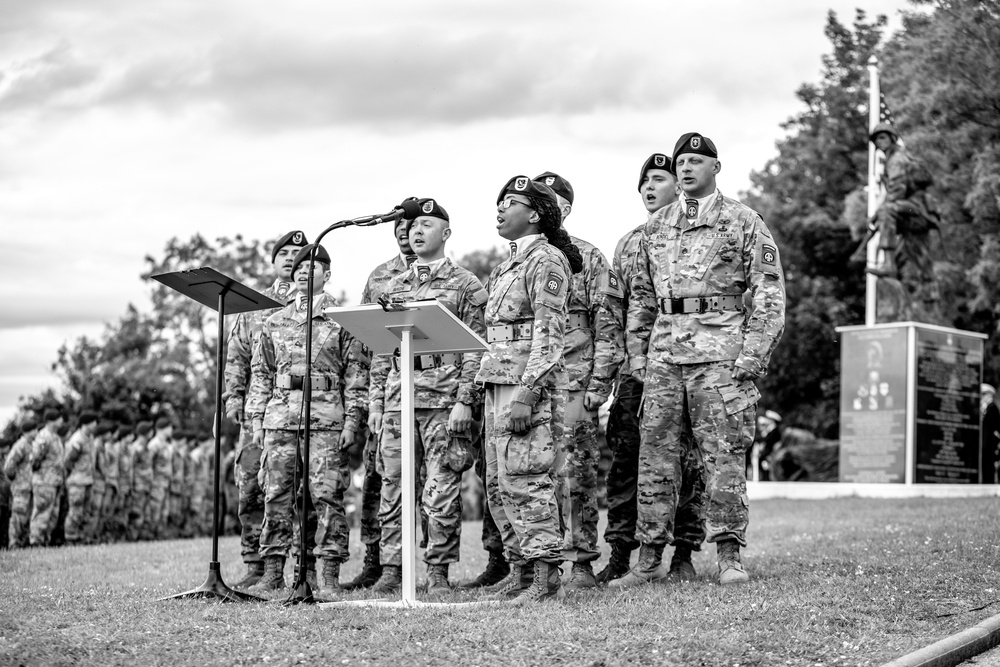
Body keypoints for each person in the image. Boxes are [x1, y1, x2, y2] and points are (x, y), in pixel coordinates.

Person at [620, 132, 785, 586]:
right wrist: (637, 353)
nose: (686, 168)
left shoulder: (743, 221)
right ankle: (649, 560)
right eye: (681, 163)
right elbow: (641, 296)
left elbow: (769, 293)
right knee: (654, 458)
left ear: (716, 167)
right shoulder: (656, 226)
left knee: (722, 458)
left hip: (721, 357)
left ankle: (729, 556)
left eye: (696, 160)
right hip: (665, 359)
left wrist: (751, 357)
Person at [367, 198, 487, 595]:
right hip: (398, 399)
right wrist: (377, 403)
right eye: (413, 225)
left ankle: (437, 571)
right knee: (394, 487)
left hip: (443, 399)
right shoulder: (393, 286)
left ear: (446, 234)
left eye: (427, 225)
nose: (417, 231)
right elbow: (380, 350)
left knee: (441, 491)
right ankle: (392, 568)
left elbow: (477, 348)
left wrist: (464, 400)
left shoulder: (466, 284)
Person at [476, 175, 583, 604]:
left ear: (535, 214)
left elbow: (550, 336)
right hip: (497, 383)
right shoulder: (506, 265)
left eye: (511, 202)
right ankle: (520, 572)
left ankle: (545, 579)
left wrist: (528, 393)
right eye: (499, 201)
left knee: (528, 478)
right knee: (501, 484)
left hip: (524, 387)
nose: (500, 208)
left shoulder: (546, 260)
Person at [600, 153, 707, 584]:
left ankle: (684, 552)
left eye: (659, 179)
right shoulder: (629, 243)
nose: (649, 187)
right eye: (644, 180)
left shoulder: (696, 236)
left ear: (678, 186)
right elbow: (614, 311)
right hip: (634, 373)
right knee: (628, 464)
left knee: (689, 461)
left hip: (684, 364)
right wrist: (617, 368)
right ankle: (622, 552)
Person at [247, 243, 368, 599]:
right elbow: (261, 374)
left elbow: (357, 375)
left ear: (326, 275)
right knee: (275, 493)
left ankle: (327, 571)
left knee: (326, 495)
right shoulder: (274, 319)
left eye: (312, 266)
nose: (302, 271)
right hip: (280, 418)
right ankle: (272, 571)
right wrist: (257, 418)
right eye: (299, 266)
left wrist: (353, 420)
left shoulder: (343, 317)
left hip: (327, 418)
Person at [531, 171, 624, 590]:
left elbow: (608, 327)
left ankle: (582, 562)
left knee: (577, 474)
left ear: (564, 209)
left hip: (574, 381)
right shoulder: (522, 259)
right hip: (532, 383)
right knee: (532, 472)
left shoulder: (588, 257)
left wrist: (598, 386)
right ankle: (535, 564)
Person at [224, 229, 308, 587]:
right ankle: (255, 564)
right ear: (273, 261)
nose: (291, 258)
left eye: (299, 253)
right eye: (284, 252)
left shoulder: (316, 301)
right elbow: (237, 356)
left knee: (300, 489)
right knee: (251, 486)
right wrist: (231, 398)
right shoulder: (254, 305)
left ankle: (301, 566)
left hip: (301, 413)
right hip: (257, 413)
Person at [347, 198, 421, 591]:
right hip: (387, 393)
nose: (407, 235)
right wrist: (370, 403)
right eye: (399, 230)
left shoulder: (448, 275)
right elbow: (368, 344)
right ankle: (377, 563)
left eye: (413, 227)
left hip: (431, 393)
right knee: (378, 479)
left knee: (433, 482)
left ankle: (433, 569)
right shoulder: (380, 278)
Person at [862, 123, 940, 283]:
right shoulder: (895, 158)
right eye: (876, 139)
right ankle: (931, 298)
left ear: (892, 138)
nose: (879, 141)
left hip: (916, 209)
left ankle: (889, 264)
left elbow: (897, 191)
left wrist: (876, 215)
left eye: (883, 137)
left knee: (886, 211)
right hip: (912, 209)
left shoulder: (897, 160)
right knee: (919, 256)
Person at [30, 409, 66, 547]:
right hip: (44, 481)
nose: (62, 421)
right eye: (59, 418)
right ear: (52, 420)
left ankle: (45, 541)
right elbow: (35, 459)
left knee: (52, 515)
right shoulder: (44, 436)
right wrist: (42, 474)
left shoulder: (55, 436)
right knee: (42, 512)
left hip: (55, 481)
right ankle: (35, 542)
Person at [63, 410, 99, 544]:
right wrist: (73, 475)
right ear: (86, 423)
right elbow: (68, 461)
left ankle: (81, 538)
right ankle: (70, 538)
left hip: (88, 480)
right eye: (93, 422)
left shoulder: (89, 438)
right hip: (77, 481)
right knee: (75, 511)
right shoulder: (77, 439)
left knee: (85, 512)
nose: (95, 425)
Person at [4, 418, 39, 548]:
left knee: (27, 516)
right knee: (18, 515)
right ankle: (13, 543)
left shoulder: (32, 445)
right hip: (21, 487)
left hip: (30, 486)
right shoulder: (21, 445)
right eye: (34, 430)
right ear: (28, 431)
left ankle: (23, 543)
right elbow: (9, 466)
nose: (36, 432)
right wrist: (16, 479)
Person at [146, 416, 174, 539]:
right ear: (163, 428)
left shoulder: (167, 445)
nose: (171, 430)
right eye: (170, 427)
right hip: (156, 483)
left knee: (164, 511)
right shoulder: (154, 444)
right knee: (155, 511)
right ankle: (151, 535)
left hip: (165, 482)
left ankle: (160, 536)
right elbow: (148, 464)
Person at [128, 421, 154, 541]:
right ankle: (132, 538)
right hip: (138, 486)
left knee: (145, 514)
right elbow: (131, 468)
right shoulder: (136, 448)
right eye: (150, 430)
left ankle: (141, 538)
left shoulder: (146, 447)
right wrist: (132, 485)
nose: (152, 432)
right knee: (136, 513)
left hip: (146, 485)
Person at [752, 410, 783, 481]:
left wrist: (766, 459)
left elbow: (771, 448)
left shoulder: (774, 433)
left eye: (768, 419)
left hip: (770, 459)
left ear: (772, 421)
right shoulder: (771, 432)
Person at [982, 384, 1000, 485]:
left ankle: (989, 484)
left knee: (989, 466)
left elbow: (994, 428)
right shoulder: (985, 408)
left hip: (990, 444)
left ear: (990, 395)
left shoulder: (992, 408)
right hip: (986, 444)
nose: (982, 396)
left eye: (984, 394)